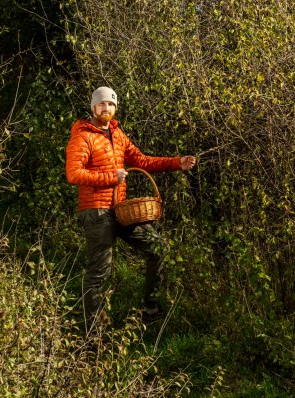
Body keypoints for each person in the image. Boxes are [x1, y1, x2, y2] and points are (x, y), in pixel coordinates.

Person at [65, 86, 196, 332]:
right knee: (99, 273)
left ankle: (150, 311)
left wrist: (176, 163)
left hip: (120, 210)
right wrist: (111, 177)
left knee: (158, 248)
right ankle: (93, 334)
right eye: (102, 103)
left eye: (111, 104)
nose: (106, 108)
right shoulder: (82, 136)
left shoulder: (117, 134)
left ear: (115, 108)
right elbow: (73, 174)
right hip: (96, 211)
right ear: (93, 107)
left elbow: (142, 160)